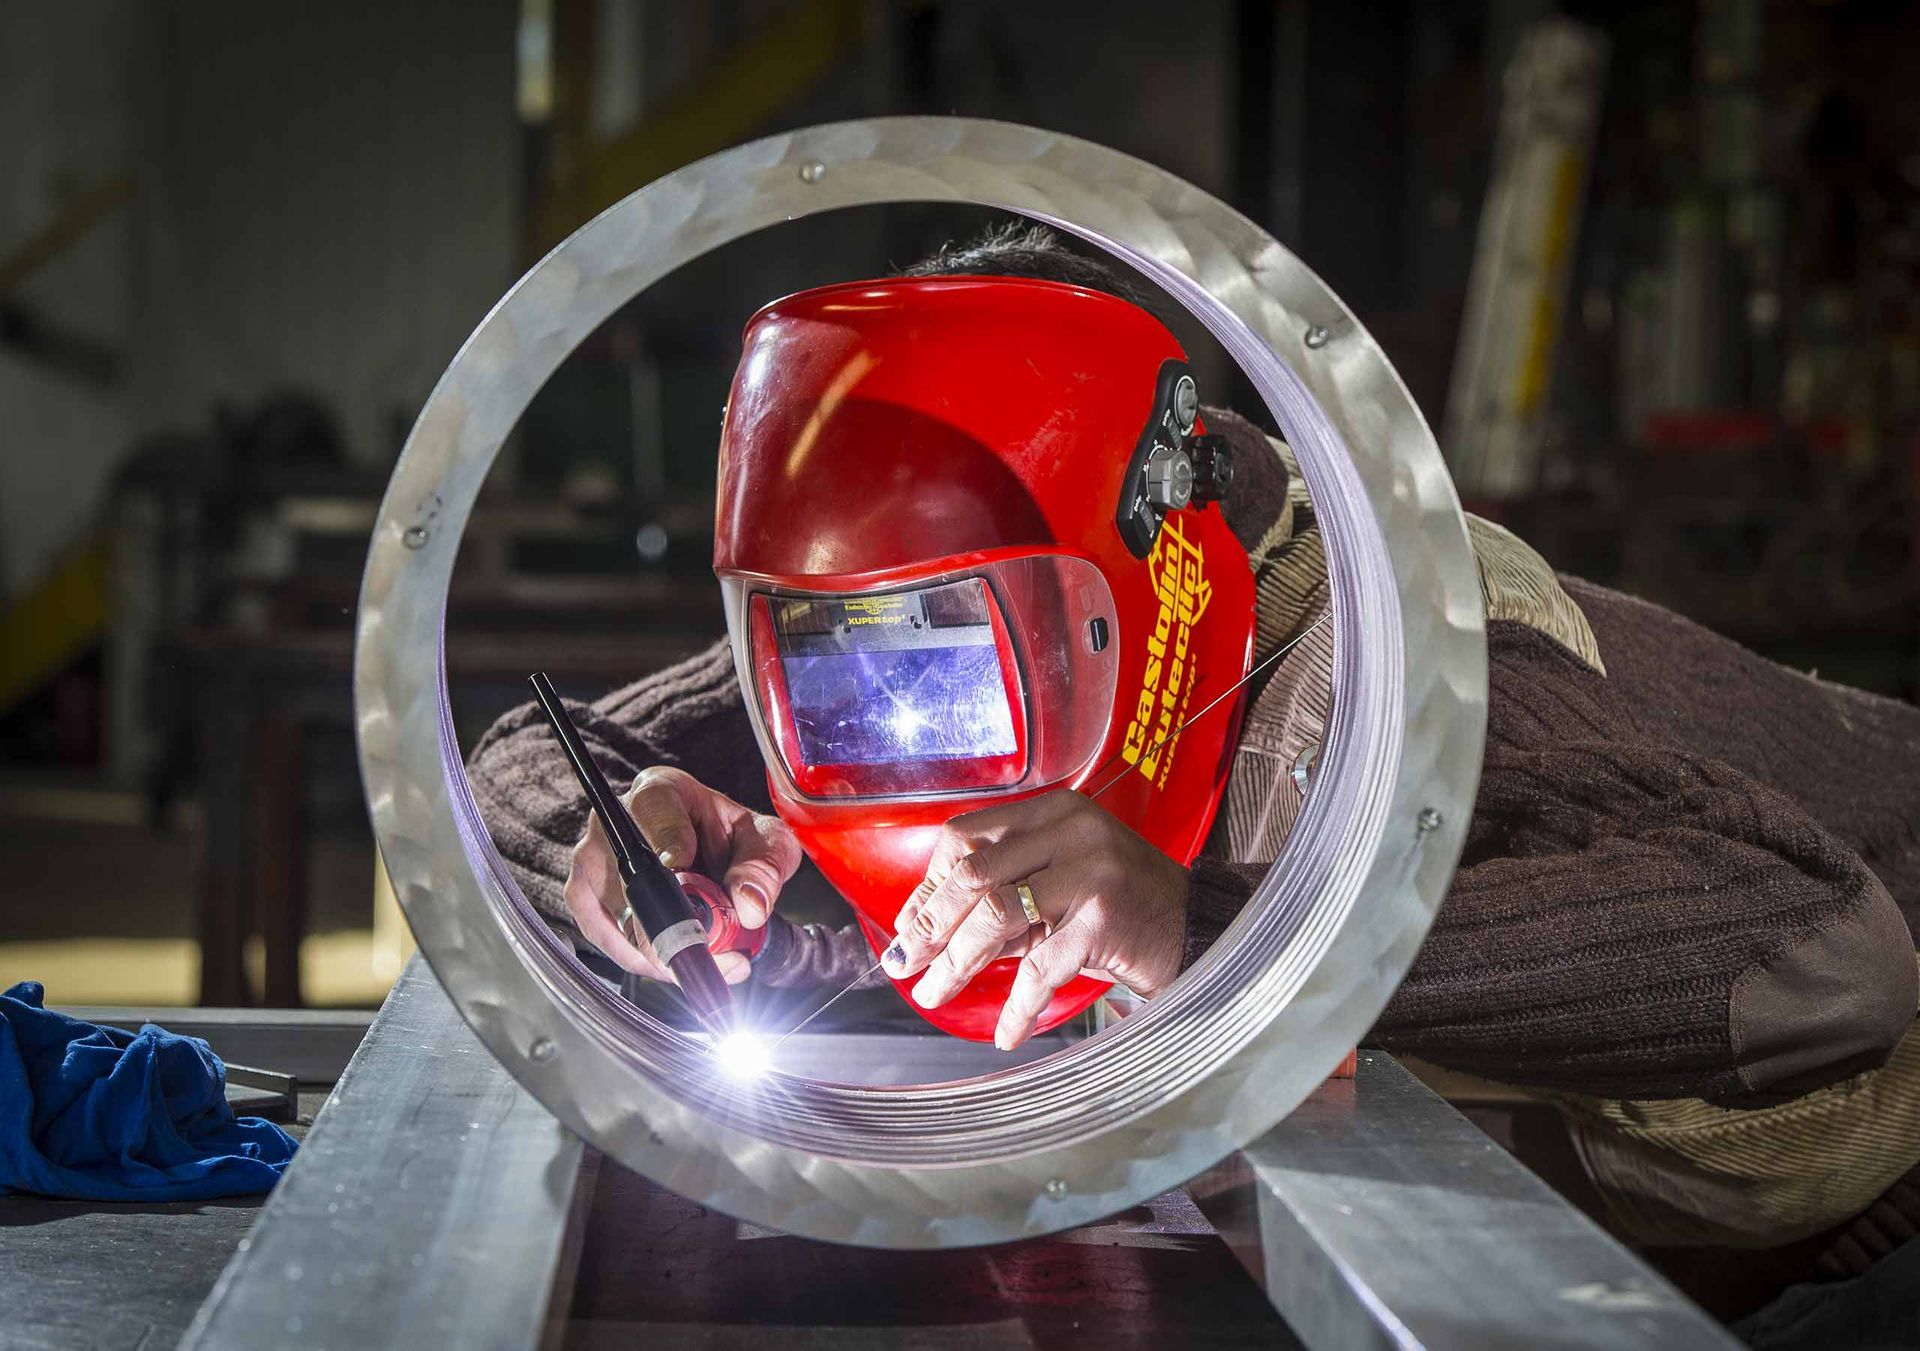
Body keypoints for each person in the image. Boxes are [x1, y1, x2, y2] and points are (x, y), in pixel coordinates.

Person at [470, 225, 1920, 1312]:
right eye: (839, 654)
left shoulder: (1408, 670)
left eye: (950, 649)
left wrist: (1206, 930)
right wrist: (609, 844)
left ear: (1141, 575)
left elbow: (1821, 963)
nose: (907, 720)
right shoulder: (906, 636)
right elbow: (533, 757)